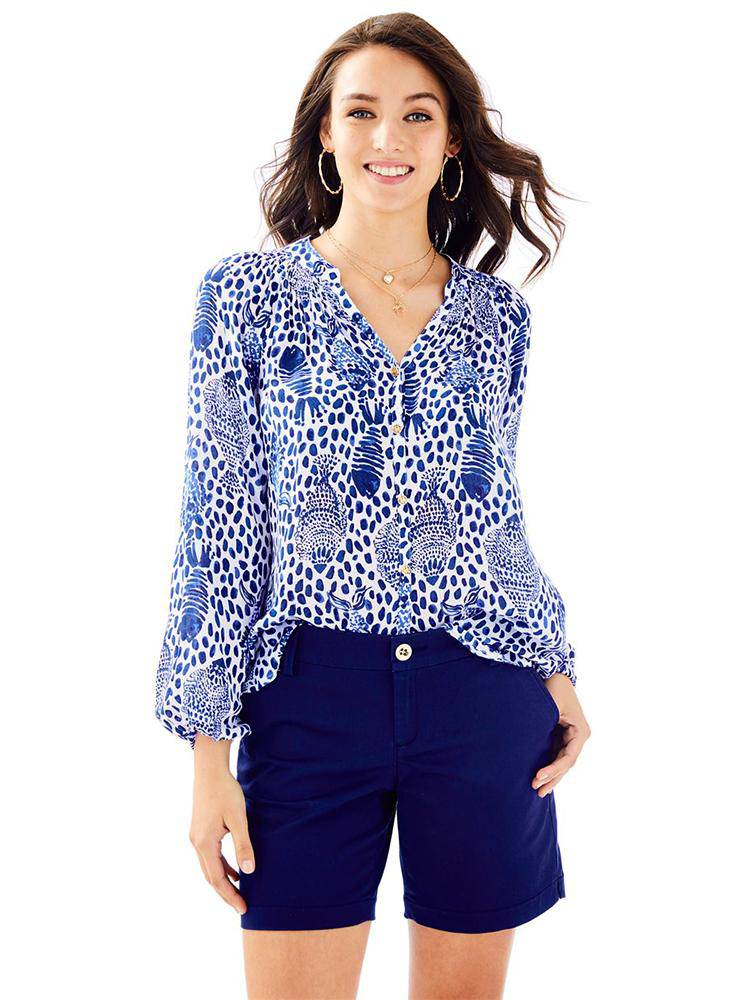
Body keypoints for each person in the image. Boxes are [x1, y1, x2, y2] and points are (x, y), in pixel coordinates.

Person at [154, 13, 591, 999]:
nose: (388, 137)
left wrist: (554, 666)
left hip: (481, 692)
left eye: (417, 115)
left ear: (451, 143)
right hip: (309, 696)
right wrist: (208, 756)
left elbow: (495, 518)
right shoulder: (247, 298)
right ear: (326, 133)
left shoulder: (498, 319)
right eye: (361, 112)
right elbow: (218, 529)